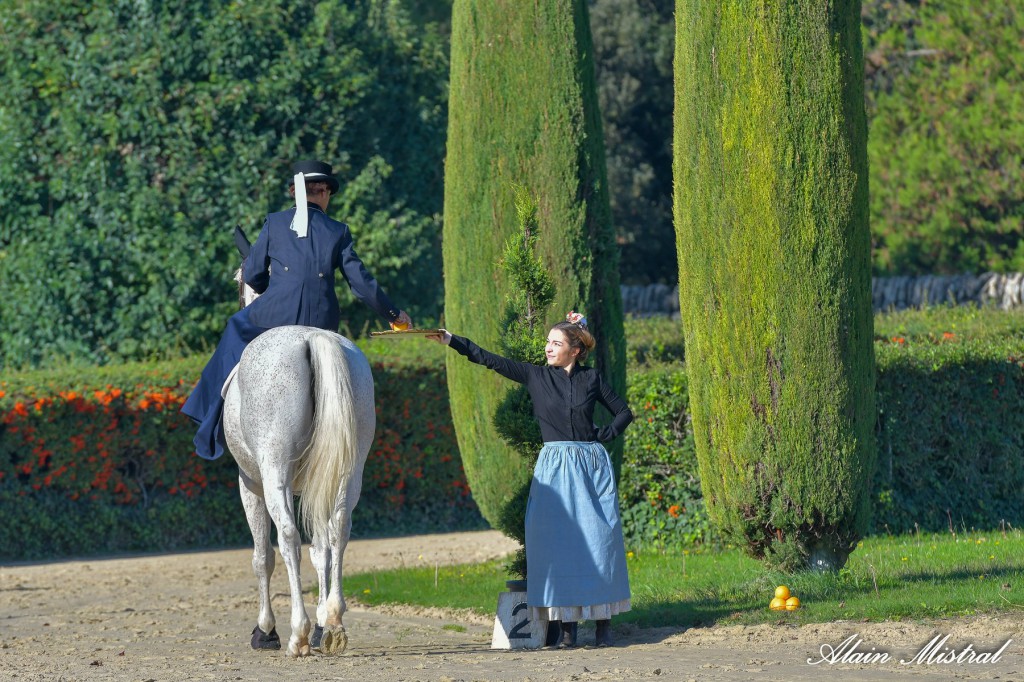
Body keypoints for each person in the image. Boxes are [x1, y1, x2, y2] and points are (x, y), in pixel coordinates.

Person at [426, 312, 633, 648]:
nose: (548, 348)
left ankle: (604, 625)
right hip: (554, 470)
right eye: (548, 342)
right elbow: (490, 360)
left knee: (599, 542)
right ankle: (567, 629)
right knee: (558, 545)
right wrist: (452, 341)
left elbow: (624, 412)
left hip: (590, 467)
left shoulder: (591, 379)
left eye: (556, 343)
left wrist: (605, 433)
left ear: (575, 350)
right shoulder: (536, 376)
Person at [182, 160, 411, 461]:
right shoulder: (338, 231)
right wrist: (394, 314)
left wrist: (268, 285)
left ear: (294, 192)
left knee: (235, 327)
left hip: (273, 314)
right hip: (321, 323)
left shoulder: (274, 223)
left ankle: (206, 414)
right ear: (326, 193)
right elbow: (361, 284)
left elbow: (251, 276)